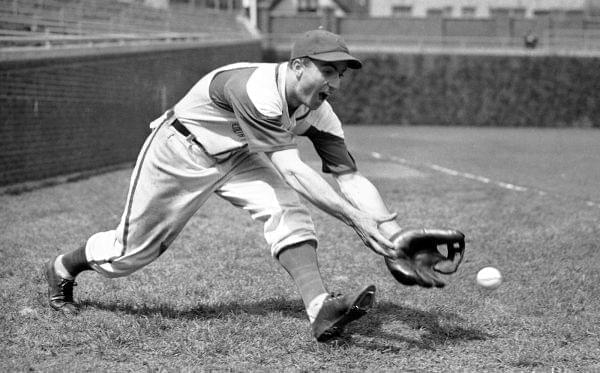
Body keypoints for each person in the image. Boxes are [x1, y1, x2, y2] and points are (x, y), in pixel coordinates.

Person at [44, 29, 406, 342]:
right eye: (327, 70)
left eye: (340, 74)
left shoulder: (319, 113)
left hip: (237, 155)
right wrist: (356, 219)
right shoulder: (256, 88)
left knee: (287, 208)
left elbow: (350, 178)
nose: (335, 84)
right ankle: (62, 266)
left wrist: (395, 239)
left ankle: (320, 310)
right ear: (297, 66)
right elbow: (293, 170)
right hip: (182, 149)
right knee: (129, 254)